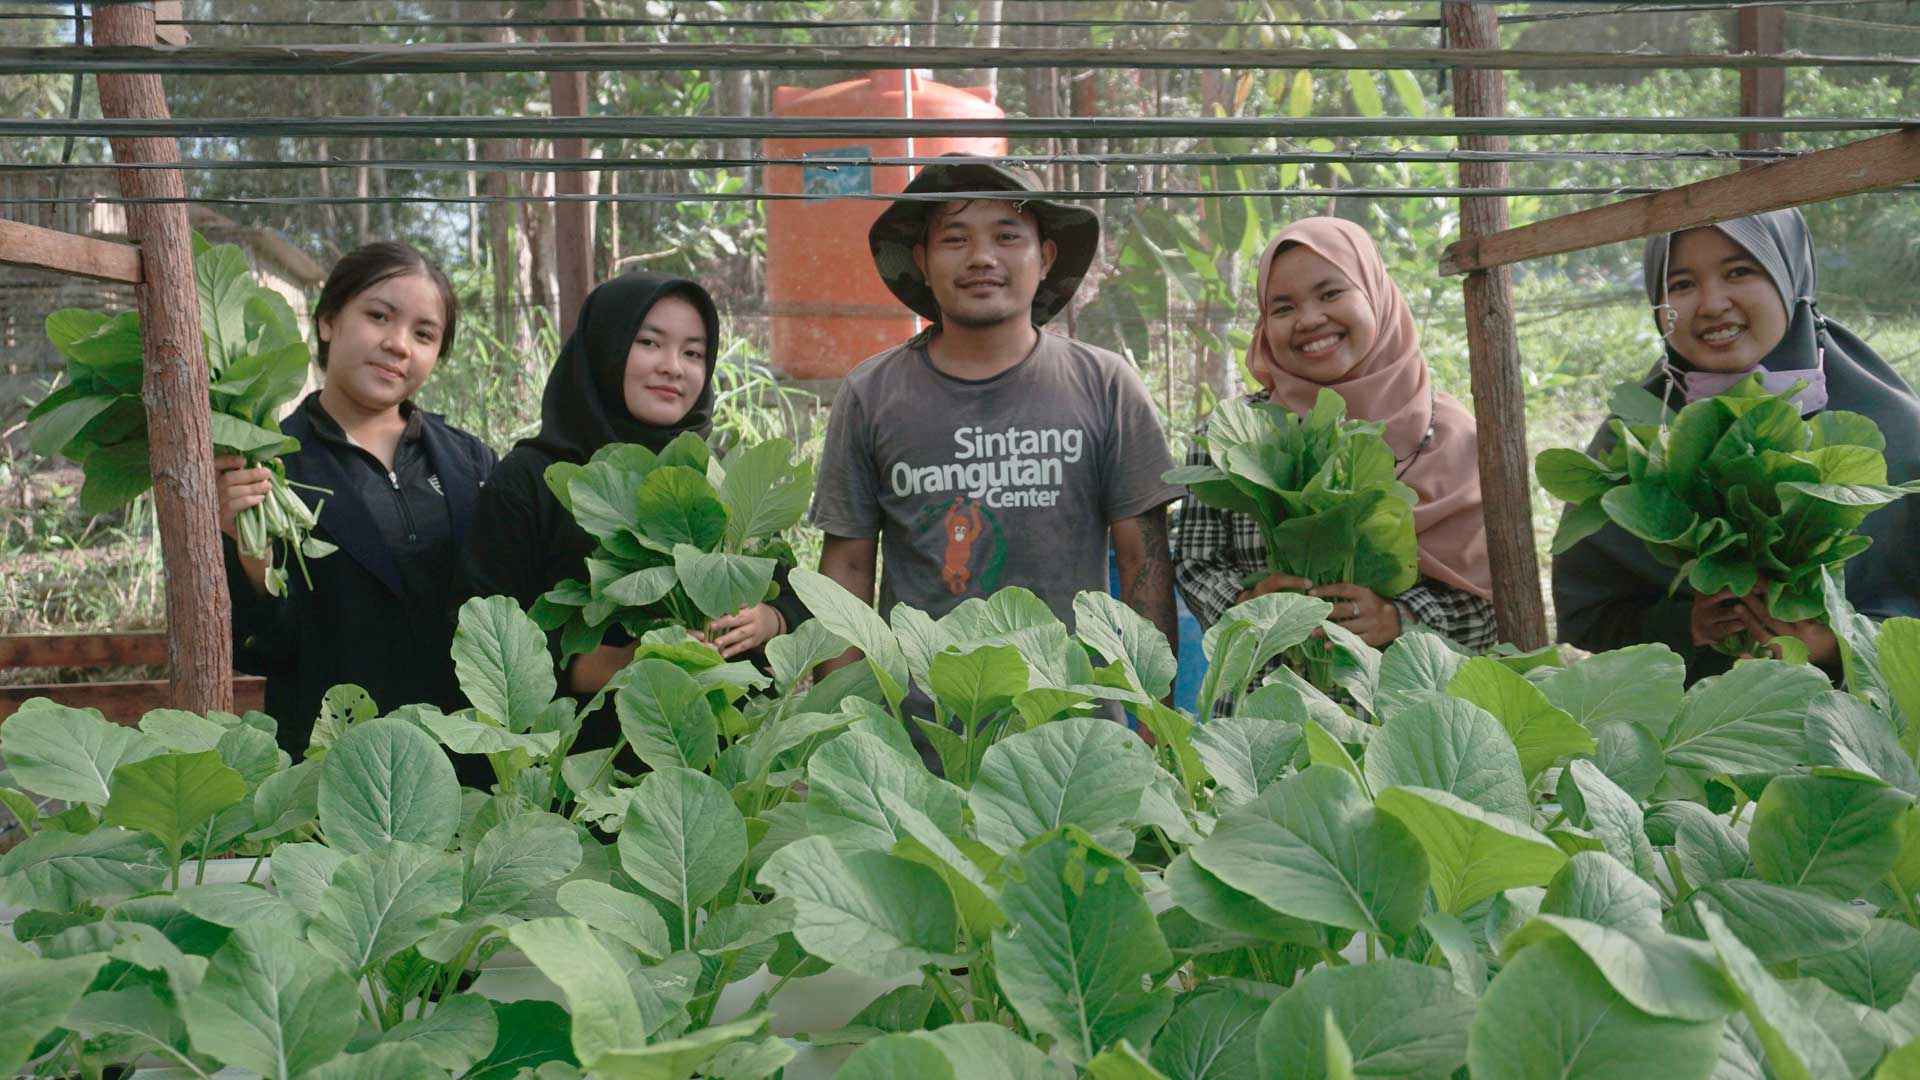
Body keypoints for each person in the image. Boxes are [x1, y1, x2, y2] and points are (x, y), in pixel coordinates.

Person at [809, 159, 1183, 725]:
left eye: (1007, 236)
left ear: (1045, 257)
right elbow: (848, 572)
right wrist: (835, 732)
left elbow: (1144, 565)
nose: (982, 258)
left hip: (1073, 733)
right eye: (954, 240)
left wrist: (1159, 733)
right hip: (923, 738)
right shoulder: (872, 394)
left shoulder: (1105, 387)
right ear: (923, 262)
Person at [450, 272, 809, 754]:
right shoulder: (530, 480)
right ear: (605, 347)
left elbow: (792, 588)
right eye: (650, 343)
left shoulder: (711, 474)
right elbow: (481, 629)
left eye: (693, 352)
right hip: (575, 771)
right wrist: (618, 662)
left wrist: (769, 621)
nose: (673, 367)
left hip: (708, 765)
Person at [1553, 208, 1920, 676]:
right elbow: (1591, 618)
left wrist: (1839, 646)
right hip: (1705, 732)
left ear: (1790, 277)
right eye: (1681, 284)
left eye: (1739, 272)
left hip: (1871, 735)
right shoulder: (1636, 439)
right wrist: (1687, 625)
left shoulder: (1896, 432)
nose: (1710, 303)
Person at [216, 241, 496, 757]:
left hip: (466, 761)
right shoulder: (267, 467)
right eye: (378, 316)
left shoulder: (471, 462)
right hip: (334, 764)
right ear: (327, 321)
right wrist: (250, 556)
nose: (398, 344)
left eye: (424, 334)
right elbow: (264, 652)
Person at [1174, 216, 1497, 650]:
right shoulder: (1232, 437)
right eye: (1282, 308)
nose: (1308, 320)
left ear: (1377, 295)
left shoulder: (1455, 437)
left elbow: (1493, 605)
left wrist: (1402, 619)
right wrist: (1247, 603)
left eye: (1330, 293)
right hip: (1265, 707)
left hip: (1407, 709)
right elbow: (1196, 564)